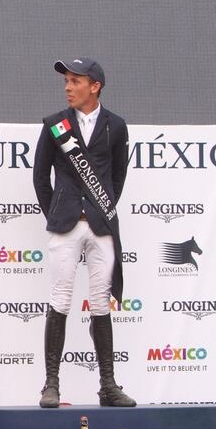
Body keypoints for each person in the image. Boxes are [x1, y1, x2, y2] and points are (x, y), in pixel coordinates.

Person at [32, 57, 135, 408]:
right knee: (60, 300)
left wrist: (98, 210)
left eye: (75, 81)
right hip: (65, 226)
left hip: (101, 225)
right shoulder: (54, 125)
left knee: (101, 304)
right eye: (66, 81)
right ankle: (51, 385)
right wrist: (61, 212)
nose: (67, 87)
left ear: (95, 86)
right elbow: (40, 178)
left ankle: (108, 385)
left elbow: (117, 177)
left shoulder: (116, 126)